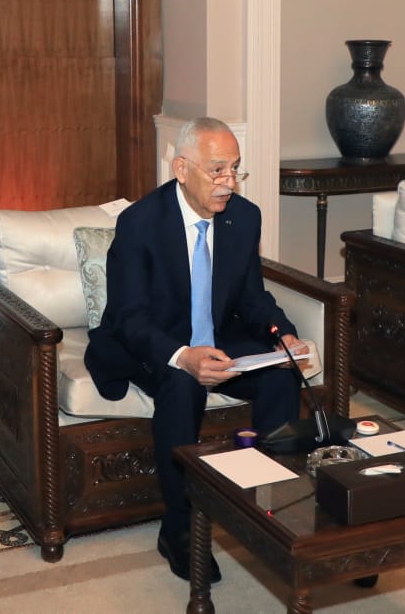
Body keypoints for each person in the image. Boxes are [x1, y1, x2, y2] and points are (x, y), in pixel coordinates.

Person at [85, 117, 304, 582]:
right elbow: (128, 316)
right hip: (152, 342)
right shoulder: (140, 223)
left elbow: (251, 297)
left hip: (217, 336)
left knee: (281, 375)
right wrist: (183, 356)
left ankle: (267, 506)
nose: (229, 182)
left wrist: (282, 335)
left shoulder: (244, 217)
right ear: (182, 169)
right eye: (218, 170)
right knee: (183, 385)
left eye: (235, 169)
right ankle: (179, 529)